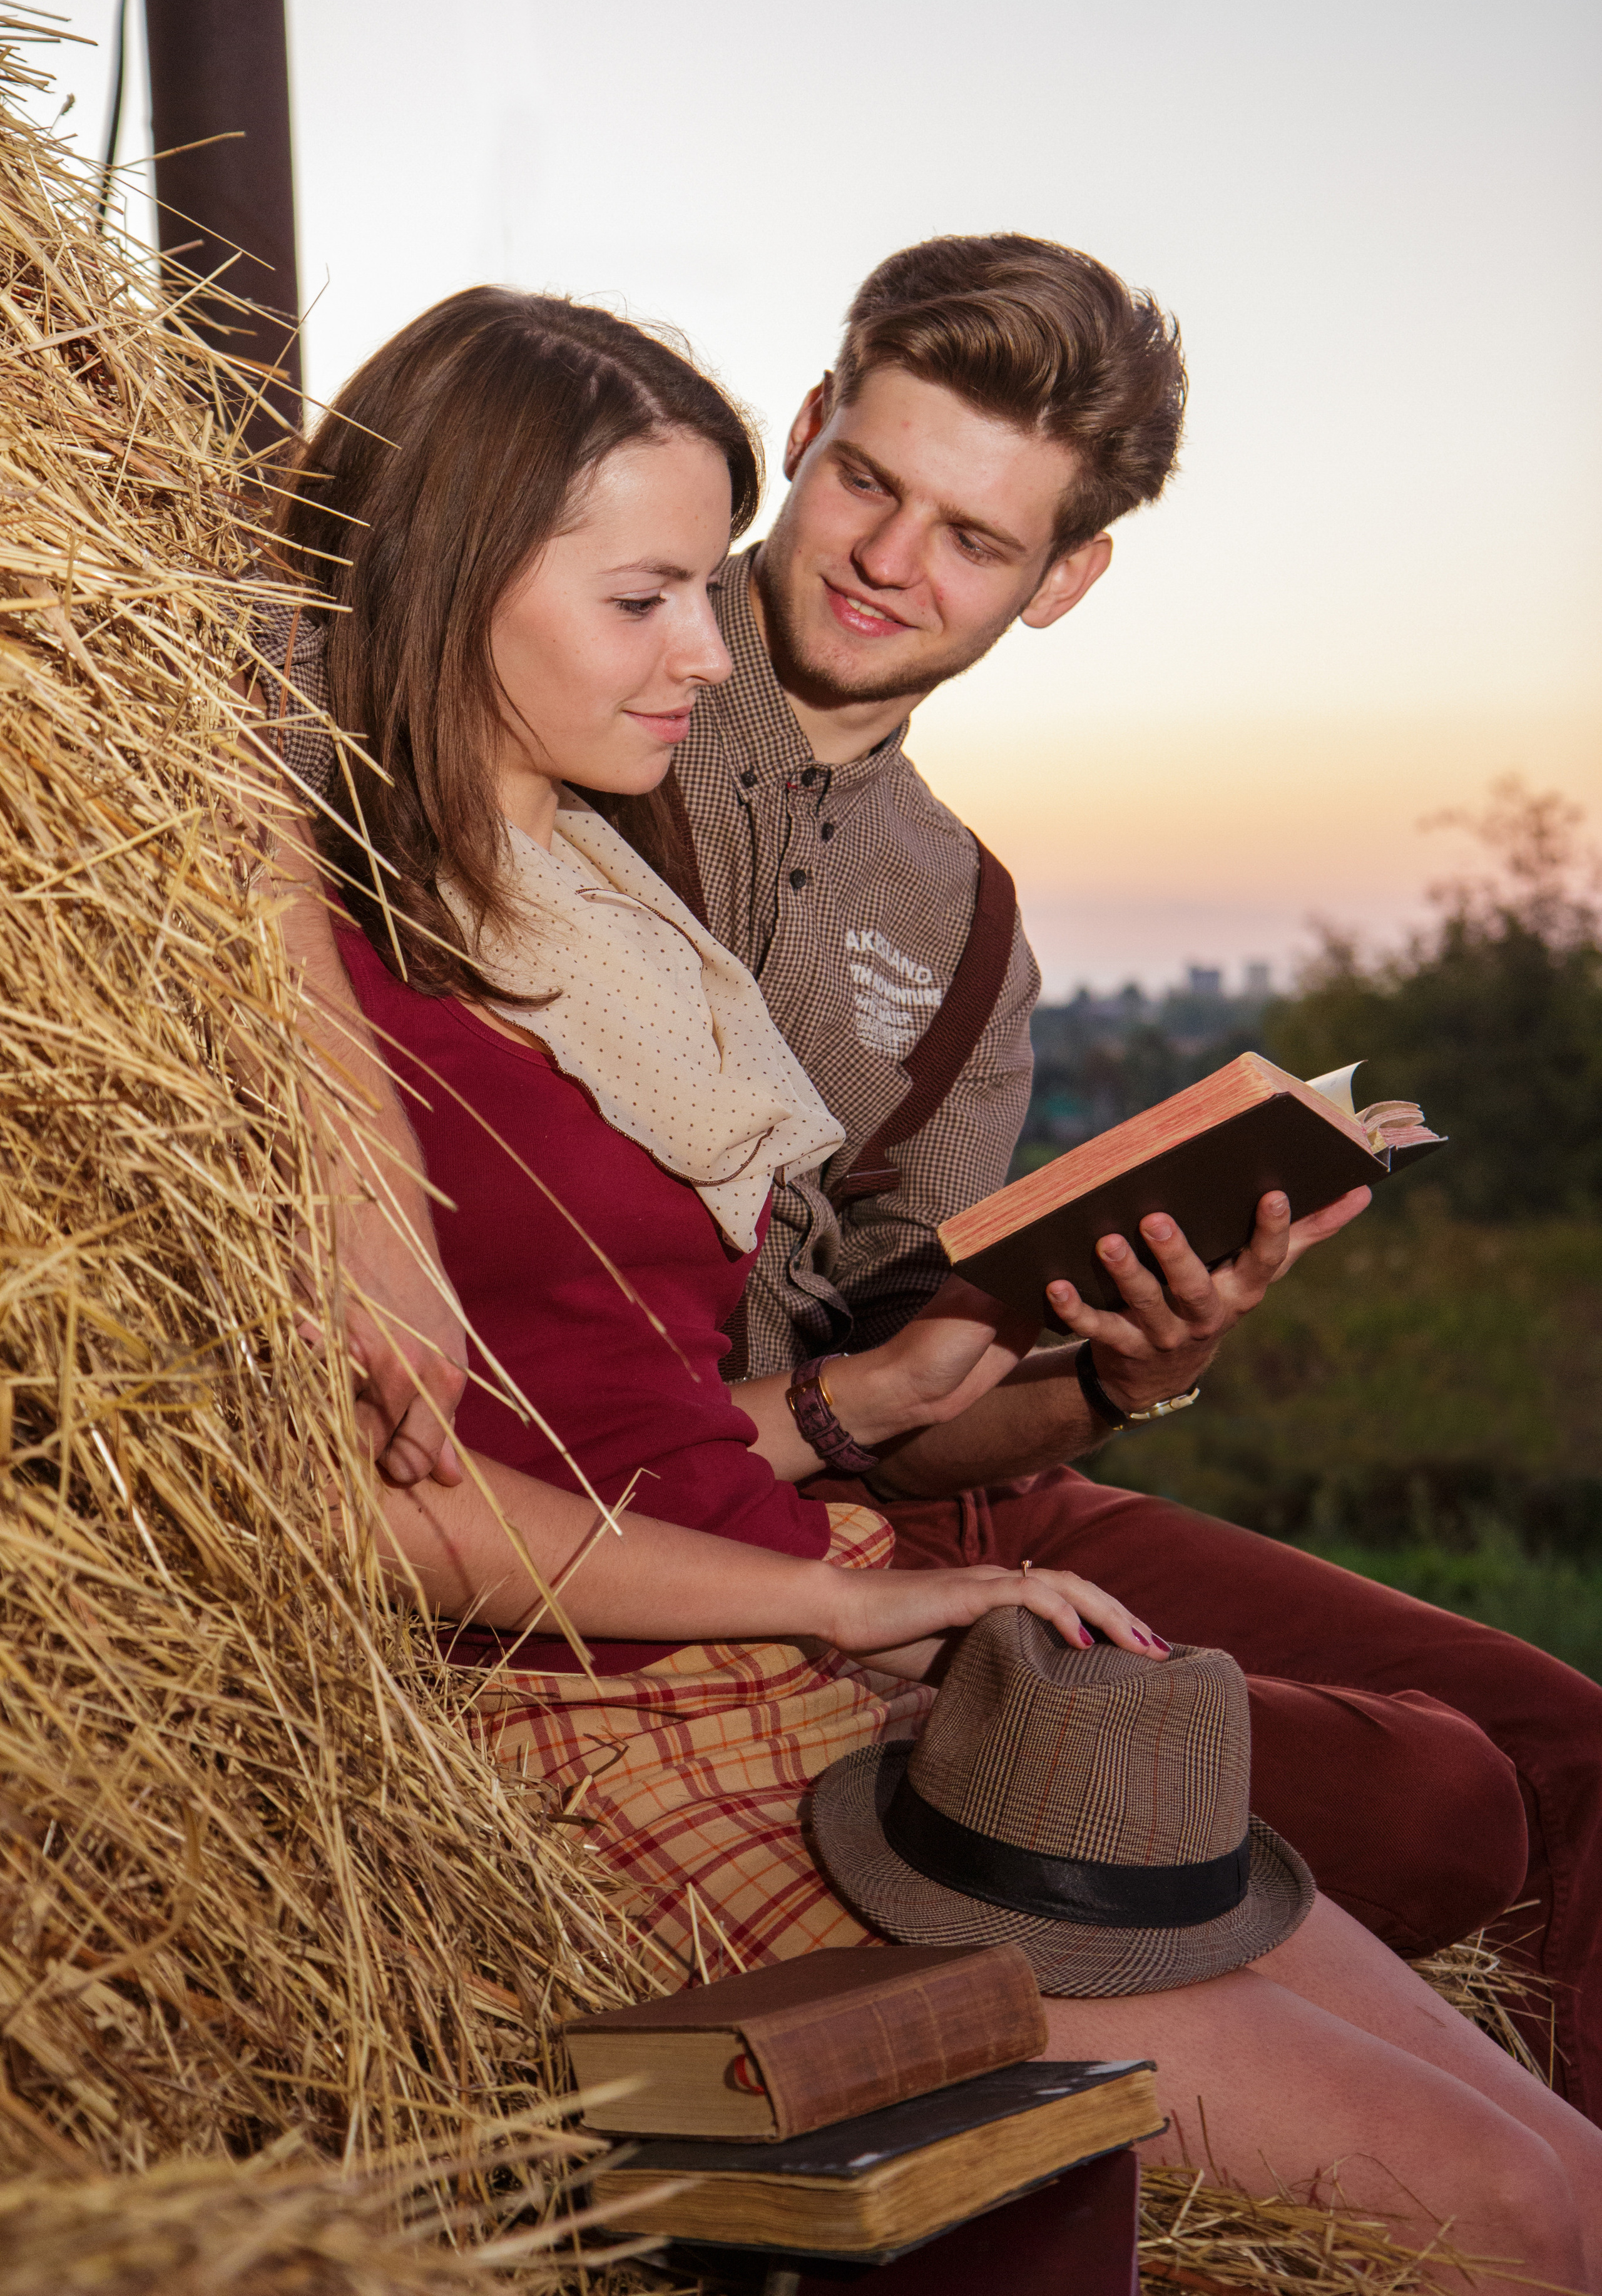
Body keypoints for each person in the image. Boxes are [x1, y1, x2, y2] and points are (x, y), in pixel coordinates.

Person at [257, 283, 1602, 2285]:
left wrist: (1130, 1364)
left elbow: (818, 1347)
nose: (875, 565)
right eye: (863, 484)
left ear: (1063, 580)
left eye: (976, 536)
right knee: (1445, 1956)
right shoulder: (423, 814)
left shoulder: (907, 915)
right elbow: (271, 710)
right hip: (722, 1579)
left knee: (1527, 1781)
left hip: (851, 1475)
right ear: (805, 436)